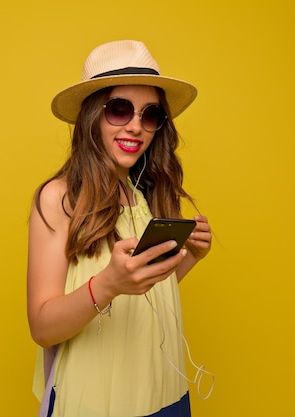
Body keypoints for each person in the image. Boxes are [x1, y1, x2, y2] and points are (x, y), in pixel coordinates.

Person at [27, 40, 212, 417]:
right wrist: (107, 284)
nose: (135, 126)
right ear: (92, 114)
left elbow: (142, 295)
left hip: (166, 392)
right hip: (97, 403)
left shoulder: (145, 193)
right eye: (119, 109)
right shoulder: (59, 197)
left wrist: (188, 256)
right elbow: (42, 326)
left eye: (150, 115)